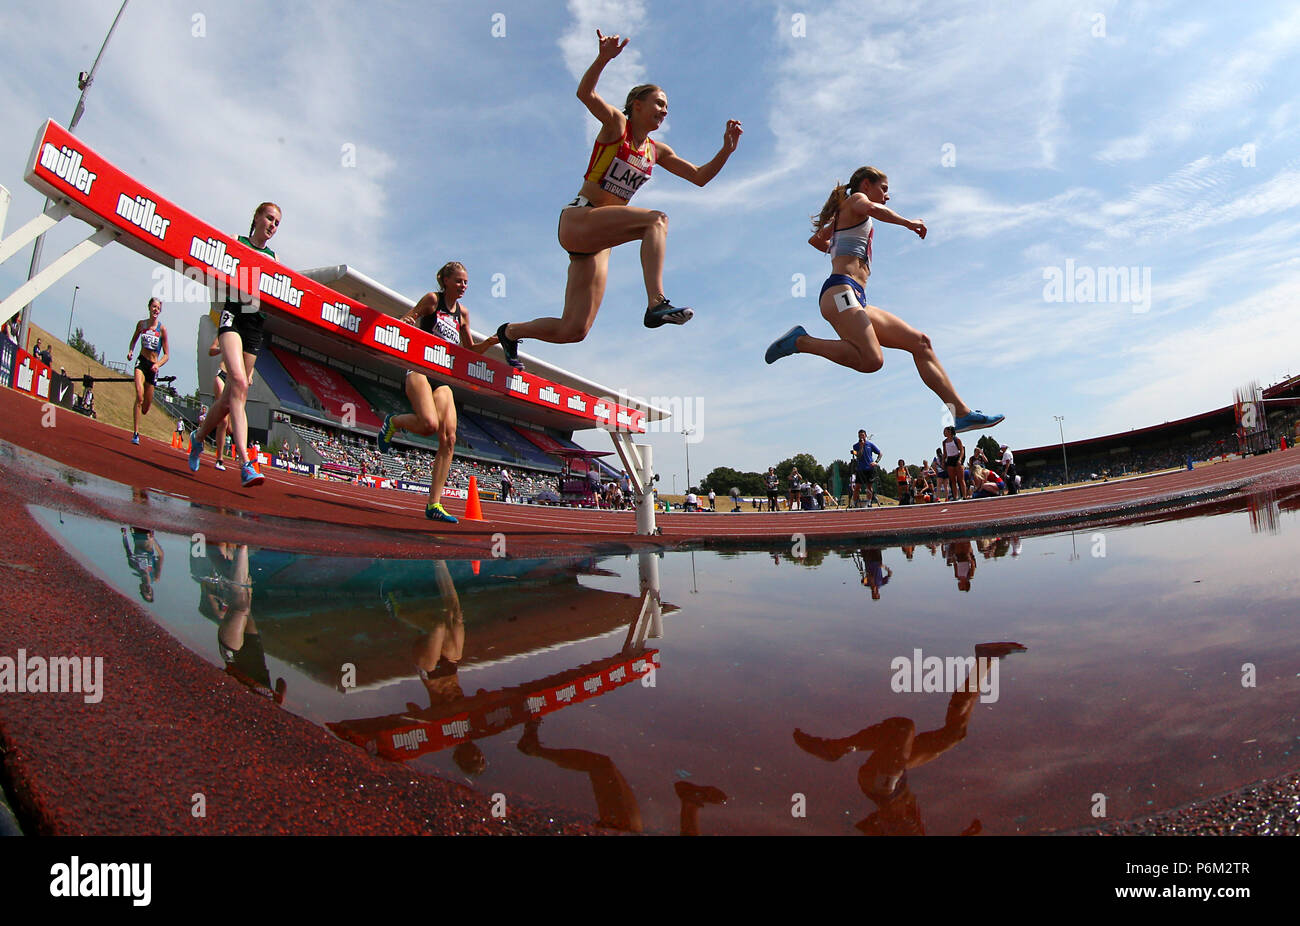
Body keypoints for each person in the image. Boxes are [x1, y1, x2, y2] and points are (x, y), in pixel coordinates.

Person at [494, 30, 743, 370]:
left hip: (599, 243)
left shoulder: (657, 151)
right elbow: (585, 93)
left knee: (574, 329)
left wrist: (726, 151)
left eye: (668, 107)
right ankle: (656, 302)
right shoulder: (617, 126)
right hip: (580, 219)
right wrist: (603, 59)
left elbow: (699, 177)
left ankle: (511, 332)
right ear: (636, 105)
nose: (664, 110)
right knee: (656, 220)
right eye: (659, 103)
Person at [765, 166, 1003, 434]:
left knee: (920, 343)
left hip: (855, 296)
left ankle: (961, 413)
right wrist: (908, 223)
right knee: (872, 360)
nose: (887, 196)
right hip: (840, 292)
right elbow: (875, 211)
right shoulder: (856, 200)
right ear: (866, 185)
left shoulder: (849, 212)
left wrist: (839, 240)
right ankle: (800, 342)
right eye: (884, 189)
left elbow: (817, 240)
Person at [378, 262, 497, 523]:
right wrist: (406, 321)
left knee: (450, 438)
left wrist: (488, 343)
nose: (463, 286)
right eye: (458, 281)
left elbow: (468, 351)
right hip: (418, 369)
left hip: (442, 378)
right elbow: (407, 319)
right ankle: (393, 422)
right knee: (429, 425)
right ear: (444, 280)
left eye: (466, 282)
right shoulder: (433, 300)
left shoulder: (463, 313)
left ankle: (434, 504)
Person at [189, 202, 282, 487]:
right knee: (239, 383)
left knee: (230, 400)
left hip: (255, 326)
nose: (272, 225)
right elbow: (216, 268)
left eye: (277, 223)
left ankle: (197, 437)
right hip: (233, 317)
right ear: (255, 217)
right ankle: (246, 462)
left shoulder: (273, 258)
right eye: (269, 218)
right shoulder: (236, 243)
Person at [126, 298, 169, 445]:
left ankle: (140, 418)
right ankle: (136, 433)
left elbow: (167, 355)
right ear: (149, 308)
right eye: (153, 307)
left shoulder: (162, 329)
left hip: (153, 367)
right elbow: (133, 341)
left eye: (158, 308)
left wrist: (158, 364)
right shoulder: (141, 324)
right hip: (141, 362)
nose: (156, 310)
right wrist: (131, 351)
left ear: (160, 311)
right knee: (139, 395)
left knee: (145, 408)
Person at [851, 429, 882, 507]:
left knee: (869, 487)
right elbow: (859, 455)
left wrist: (876, 462)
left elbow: (880, 453)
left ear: (865, 436)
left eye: (863, 435)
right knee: (857, 486)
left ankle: (869, 502)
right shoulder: (856, 446)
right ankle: (854, 502)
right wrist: (861, 446)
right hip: (860, 469)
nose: (861, 437)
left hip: (869, 468)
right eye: (860, 435)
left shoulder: (870, 444)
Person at [941, 426, 968, 501]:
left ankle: (964, 496)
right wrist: (943, 462)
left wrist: (960, 459)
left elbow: (962, 450)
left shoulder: (957, 439)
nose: (944, 433)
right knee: (952, 480)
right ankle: (955, 496)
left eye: (945, 431)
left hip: (957, 458)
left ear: (949, 432)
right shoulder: (944, 442)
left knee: (961, 479)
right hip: (950, 459)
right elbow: (945, 453)